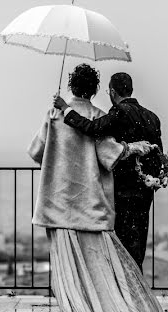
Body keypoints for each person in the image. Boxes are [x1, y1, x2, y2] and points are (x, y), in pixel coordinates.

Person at [29, 63, 167, 312]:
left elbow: (36, 152)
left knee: (67, 265)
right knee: (95, 264)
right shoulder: (98, 116)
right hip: (90, 205)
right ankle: (98, 307)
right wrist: (133, 148)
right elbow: (110, 156)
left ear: (71, 86)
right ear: (94, 91)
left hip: (56, 203)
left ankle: (74, 308)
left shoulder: (54, 115)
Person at [53, 72, 162, 271]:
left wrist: (66, 109)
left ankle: (126, 289)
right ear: (130, 89)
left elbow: (92, 128)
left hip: (123, 189)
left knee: (121, 244)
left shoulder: (119, 112)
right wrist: (149, 180)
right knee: (138, 240)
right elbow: (157, 154)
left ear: (112, 91)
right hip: (145, 190)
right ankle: (137, 282)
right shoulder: (152, 117)